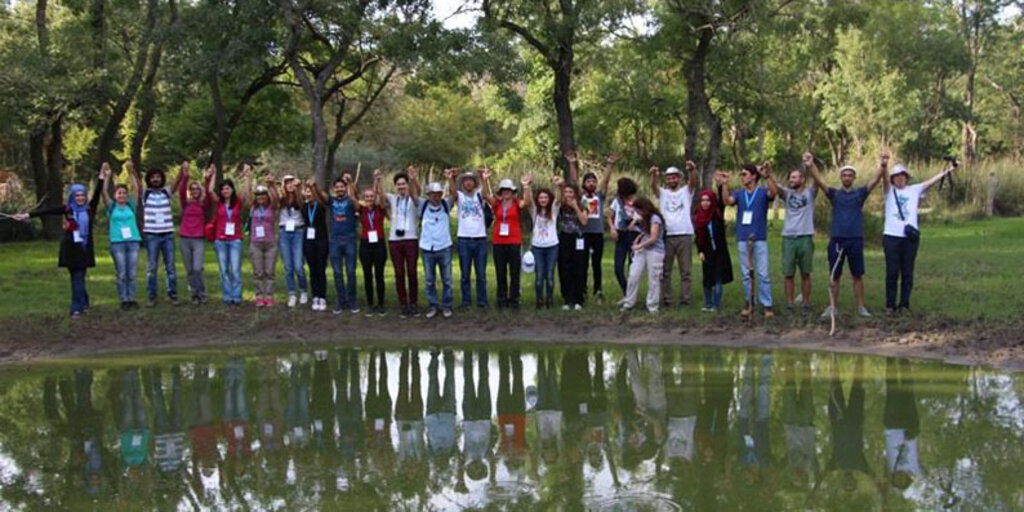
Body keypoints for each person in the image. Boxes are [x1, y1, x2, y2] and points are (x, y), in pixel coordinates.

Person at [804, 152, 886, 319]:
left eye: (850, 175)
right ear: (841, 178)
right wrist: (810, 165)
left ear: (854, 178)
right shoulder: (834, 194)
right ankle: (832, 307)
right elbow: (819, 181)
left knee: (857, 275)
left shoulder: (860, 194)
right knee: (835, 275)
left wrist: (883, 165)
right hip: (837, 240)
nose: (847, 177)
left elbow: (875, 181)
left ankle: (861, 307)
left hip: (855, 240)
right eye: (844, 175)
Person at [13, 168, 105, 316]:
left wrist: (101, 177)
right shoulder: (67, 209)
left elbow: (97, 193)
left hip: (84, 248)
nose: (80, 198)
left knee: (78, 277)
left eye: (82, 195)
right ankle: (83, 303)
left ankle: (77, 307)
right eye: (77, 195)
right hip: (70, 248)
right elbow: (47, 210)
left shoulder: (89, 209)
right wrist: (26, 215)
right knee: (75, 277)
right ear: (72, 196)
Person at [882, 160, 957, 314]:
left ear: (907, 178)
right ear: (892, 179)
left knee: (907, 272)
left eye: (902, 176)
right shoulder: (888, 191)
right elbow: (883, 177)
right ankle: (890, 305)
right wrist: (883, 165)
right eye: (896, 176)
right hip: (891, 236)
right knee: (892, 272)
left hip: (909, 238)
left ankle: (904, 304)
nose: (900, 178)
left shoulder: (914, 190)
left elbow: (932, 181)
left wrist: (948, 170)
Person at [716, 163, 779, 318]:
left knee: (762, 273)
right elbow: (727, 201)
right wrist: (724, 184)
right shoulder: (739, 194)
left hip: (759, 238)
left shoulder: (762, 192)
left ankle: (767, 304)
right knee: (745, 273)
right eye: (741, 174)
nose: (742, 177)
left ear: (753, 176)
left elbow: (774, 193)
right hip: (743, 237)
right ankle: (749, 301)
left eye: (744, 174)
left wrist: (767, 176)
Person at [128, 161, 179, 306]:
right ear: (149, 179)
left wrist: (182, 171)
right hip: (152, 235)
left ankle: (173, 294)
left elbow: (175, 184)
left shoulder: (166, 192)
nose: (155, 179)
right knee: (152, 267)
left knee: (170, 267)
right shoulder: (146, 194)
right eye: (153, 177)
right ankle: (152, 295)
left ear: (161, 179)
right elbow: (136, 186)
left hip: (168, 234)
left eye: (158, 177)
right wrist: (131, 172)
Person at [650, 161, 698, 308]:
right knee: (665, 271)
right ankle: (667, 300)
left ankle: (685, 300)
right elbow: (654, 187)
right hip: (667, 235)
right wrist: (653, 175)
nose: (671, 180)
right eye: (669, 178)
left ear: (679, 178)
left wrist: (691, 170)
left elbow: (693, 182)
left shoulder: (685, 191)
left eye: (674, 177)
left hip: (684, 234)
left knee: (685, 271)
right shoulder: (663, 193)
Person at [482, 170, 532, 309]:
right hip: (499, 242)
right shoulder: (496, 203)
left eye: (508, 190)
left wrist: (526, 186)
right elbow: (485, 195)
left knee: (515, 272)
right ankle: (501, 298)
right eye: (504, 190)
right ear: (501, 191)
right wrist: (484, 180)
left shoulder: (516, 203)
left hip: (514, 241)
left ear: (512, 191)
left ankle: (514, 299)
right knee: (500, 272)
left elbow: (527, 202)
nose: (506, 192)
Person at [570, 152, 614, 303]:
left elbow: (606, 181)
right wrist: (572, 163)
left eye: (593, 181)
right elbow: (574, 181)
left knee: (596, 264)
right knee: (581, 264)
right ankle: (582, 291)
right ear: (584, 183)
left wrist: (609, 164)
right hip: (583, 234)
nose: (591, 183)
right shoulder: (580, 196)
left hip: (597, 234)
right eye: (588, 181)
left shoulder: (599, 196)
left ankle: (598, 291)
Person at [379, 168, 422, 316]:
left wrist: (413, 179)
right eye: (398, 184)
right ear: (395, 186)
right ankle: (403, 303)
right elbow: (381, 197)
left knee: (412, 272)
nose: (401, 186)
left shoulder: (413, 199)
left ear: (407, 185)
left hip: (411, 239)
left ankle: (413, 303)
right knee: (399, 273)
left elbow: (418, 191)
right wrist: (378, 180)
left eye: (404, 184)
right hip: (395, 240)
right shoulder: (392, 198)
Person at [777, 158, 817, 313]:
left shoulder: (810, 193)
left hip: (805, 237)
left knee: (805, 273)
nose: (791, 180)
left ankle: (806, 303)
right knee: (788, 274)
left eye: (794, 177)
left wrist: (810, 165)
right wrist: (767, 176)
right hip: (788, 238)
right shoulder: (787, 194)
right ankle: (790, 304)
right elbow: (776, 188)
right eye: (790, 177)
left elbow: (817, 181)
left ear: (802, 179)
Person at [207, 164, 252, 305]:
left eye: (228, 188)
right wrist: (213, 174)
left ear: (232, 190)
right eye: (223, 189)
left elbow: (246, 193)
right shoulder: (218, 203)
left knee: (235, 269)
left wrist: (247, 177)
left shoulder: (238, 202)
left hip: (235, 240)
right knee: (223, 269)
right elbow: (209, 190)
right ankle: (227, 295)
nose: (225, 191)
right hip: (220, 240)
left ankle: (236, 295)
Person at [101, 163, 142, 310]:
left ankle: (132, 298)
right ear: (115, 195)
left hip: (133, 242)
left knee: (132, 272)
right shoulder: (111, 207)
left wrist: (131, 173)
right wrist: (106, 176)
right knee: (122, 272)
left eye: (124, 193)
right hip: (117, 242)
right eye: (119, 193)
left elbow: (137, 189)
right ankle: (123, 299)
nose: (122, 195)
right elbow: (103, 192)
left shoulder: (131, 205)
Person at [447, 169, 489, 310]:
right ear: (463, 184)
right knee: (465, 274)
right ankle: (466, 302)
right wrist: (450, 178)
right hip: (464, 239)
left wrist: (484, 178)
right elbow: (452, 193)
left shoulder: (479, 195)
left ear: (475, 183)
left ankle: (482, 301)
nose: (468, 183)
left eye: (471, 180)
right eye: (465, 181)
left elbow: (486, 194)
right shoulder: (460, 196)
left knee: (481, 274)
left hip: (480, 239)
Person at [620, 197, 666, 314]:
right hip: (642, 250)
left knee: (654, 278)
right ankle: (629, 302)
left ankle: (652, 305)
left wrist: (639, 246)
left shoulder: (655, 218)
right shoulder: (642, 219)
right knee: (633, 275)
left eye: (638, 210)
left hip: (655, 251)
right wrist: (635, 222)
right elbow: (632, 228)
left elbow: (653, 238)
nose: (637, 212)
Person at [882, 359, 922, 493]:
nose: (899, 479)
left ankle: (889, 361)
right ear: (907, 480)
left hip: (891, 426)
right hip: (910, 426)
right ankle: (905, 361)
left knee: (891, 389)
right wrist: (915, 432)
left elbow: (881, 487)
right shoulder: (915, 468)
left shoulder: (888, 468)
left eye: (896, 481)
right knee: (908, 390)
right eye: (902, 482)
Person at [174, 160, 211, 304]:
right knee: (189, 269)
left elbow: (208, 193)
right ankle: (194, 294)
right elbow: (181, 190)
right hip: (185, 238)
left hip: (198, 239)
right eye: (193, 189)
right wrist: (185, 175)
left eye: (197, 189)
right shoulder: (185, 203)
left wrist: (207, 179)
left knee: (197, 268)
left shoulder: (203, 205)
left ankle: (202, 292)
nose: (195, 191)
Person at [553, 175, 590, 310]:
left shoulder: (582, 204)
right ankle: (567, 298)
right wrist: (559, 185)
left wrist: (575, 207)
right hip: (564, 238)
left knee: (579, 267)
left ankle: (578, 298)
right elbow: (556, 200)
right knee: (564, 267)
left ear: (575, 193)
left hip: (578, 238)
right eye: (566, 192)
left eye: (570, 192)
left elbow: (584, 221)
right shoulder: (560, 205)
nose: (568, 195)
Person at [420, 178, 455, 318]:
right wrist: (412, 179)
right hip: (427, 247)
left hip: (444, 246)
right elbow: (413, 195)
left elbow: (454, 195)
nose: (435, 196)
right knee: (429, 280)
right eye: (433, 194)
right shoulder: (423, 205)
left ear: (441, 194)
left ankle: (447, 306)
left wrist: (450, 178)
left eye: (438, 193)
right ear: (428, 195)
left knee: (447, 279)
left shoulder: (446, 204)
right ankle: (433, 306)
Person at [693, 189, 733, 312]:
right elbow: (698, 237)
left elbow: (722, 201)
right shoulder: (698, 216)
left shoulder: (717, 213)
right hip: (707, 252)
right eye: (703, 200)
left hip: (720, 252)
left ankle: (716, 304)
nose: (705, 203)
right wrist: (700, 251)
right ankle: (707, 303)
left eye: (708, 200)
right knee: (707, 278)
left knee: (718, 278)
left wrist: (722, 185)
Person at [328, 173, 361, 315]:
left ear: (345, 188)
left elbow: (358, 207)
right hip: (335, 240)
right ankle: (341, 300)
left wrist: (351, 183)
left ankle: (352, 300)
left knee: (351, 271)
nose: (340, 189)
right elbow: (321, 197)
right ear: (334, 189)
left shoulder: (350, 200)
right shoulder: (331, 200)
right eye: (337, 187)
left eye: (342, 187)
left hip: (349, 240)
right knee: (337, 272)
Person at [358, 173, 388, 316]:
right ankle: (370, 304)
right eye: (367, 197)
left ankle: (381, 304)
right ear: (364, 199)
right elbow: (352, 198)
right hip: (365, 244)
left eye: (371, 196)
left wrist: (378, 182)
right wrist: (351, 182)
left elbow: (381, 197)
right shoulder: (361, 210)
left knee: (379, 275)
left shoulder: (380, 209)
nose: (369, 199)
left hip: (379, 244)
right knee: (367, 275)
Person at [278, 175, 309, 308]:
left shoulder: (300, 197)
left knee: (298, 266)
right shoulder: (281, 199)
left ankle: (303, 291)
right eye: (287, 183)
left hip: (298, 232)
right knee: (288, 267)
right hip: (284, 232)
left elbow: (303, 205)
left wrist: (299, 188)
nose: (290, 185)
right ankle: (291, 293)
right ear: (283, 185)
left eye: (292, 182)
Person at [249, 176, 279, 307]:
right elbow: (246, 195)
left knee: (270, 271)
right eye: (258, 195)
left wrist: (271, 185)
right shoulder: (253, 208)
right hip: (256, 243)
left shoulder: (271, 207)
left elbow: (276, 199)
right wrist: (247, 177)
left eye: (263, 194)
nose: (260, 197)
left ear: (267, 196)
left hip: (270, 243)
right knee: (258, 271)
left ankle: (269, 294)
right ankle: (260, 295)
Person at [302, 179, 330, 311]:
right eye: (307, 191)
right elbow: (297, 198)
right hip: (308, 241)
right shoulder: (304, 207)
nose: (309, 194)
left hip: (321, 240)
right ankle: (315, 296)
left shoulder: (321, 206)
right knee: (312, 269)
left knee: (320, 269)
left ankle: (322, 296)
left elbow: (324, 198)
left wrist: (314, 187)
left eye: (311, 191)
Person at [608, 178, 640, 297]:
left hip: (635, 236)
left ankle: (631, 295)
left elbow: (645, 215)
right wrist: (612, 228)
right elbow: (610, 215)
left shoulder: (639, 201)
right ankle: (626, 291)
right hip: (620, 234)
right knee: (618, 268)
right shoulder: (617, 201)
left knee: (633, 268)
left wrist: (636, 220)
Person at [530, 185, 559, 309]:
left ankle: (550, 299)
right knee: (539, 276)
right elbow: (529, 200)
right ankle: (539, 300)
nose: (543, 200)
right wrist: (527, 186)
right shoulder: (534, 211)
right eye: (541, 197)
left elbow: (559, 198)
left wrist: (559, 185)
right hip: (537, 247)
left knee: (550, 275)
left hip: (552, 246)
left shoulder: (553, 210)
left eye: (545, 197)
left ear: (549, 199)